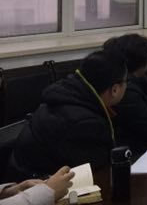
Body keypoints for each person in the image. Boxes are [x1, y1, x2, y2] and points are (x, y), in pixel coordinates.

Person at [9, 49, 128, 179]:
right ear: (115, 89)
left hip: (24, 173)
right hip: (38, 183)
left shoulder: (67, 92)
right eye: (126, 81)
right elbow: (95, 173)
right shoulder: (85, 123)